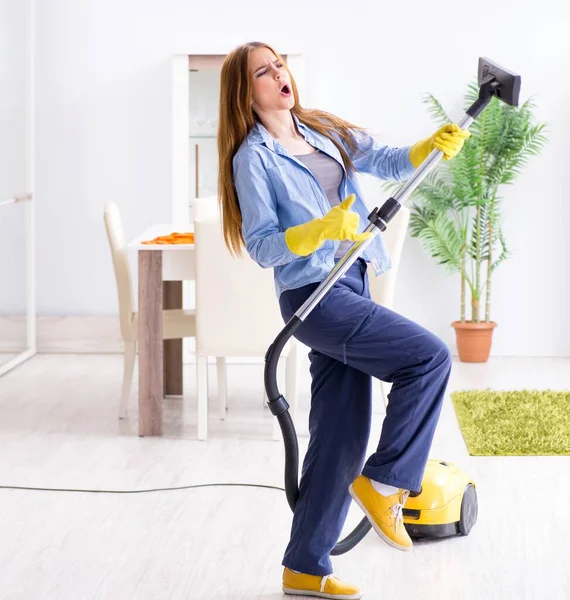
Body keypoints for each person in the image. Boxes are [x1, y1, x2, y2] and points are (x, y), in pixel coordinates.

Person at [217, 41, 470, 600]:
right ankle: (385, 482)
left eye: (279, 63)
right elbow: (261, 246)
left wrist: (429, 146)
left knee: (339, 434)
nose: (279, 74)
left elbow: (383, 158)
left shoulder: (322, 129)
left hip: (351, 282)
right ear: (246, 90)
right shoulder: (251, 158)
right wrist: (313, 234)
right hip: (313, 296)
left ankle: (304, 567)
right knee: (428, 357)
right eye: (264, 71)